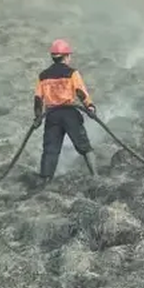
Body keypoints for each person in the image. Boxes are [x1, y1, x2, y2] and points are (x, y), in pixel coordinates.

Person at [33, 39, 97, 182]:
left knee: (50, 150)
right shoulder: (72, 73)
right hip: (69, 113)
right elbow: (81, 92)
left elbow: (38, 99)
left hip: (52, 115)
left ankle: (45, 181)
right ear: (66, 56)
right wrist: (90, 107)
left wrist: (37, 117)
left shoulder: (43, 76)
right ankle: (96, 177)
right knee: (84, 147)